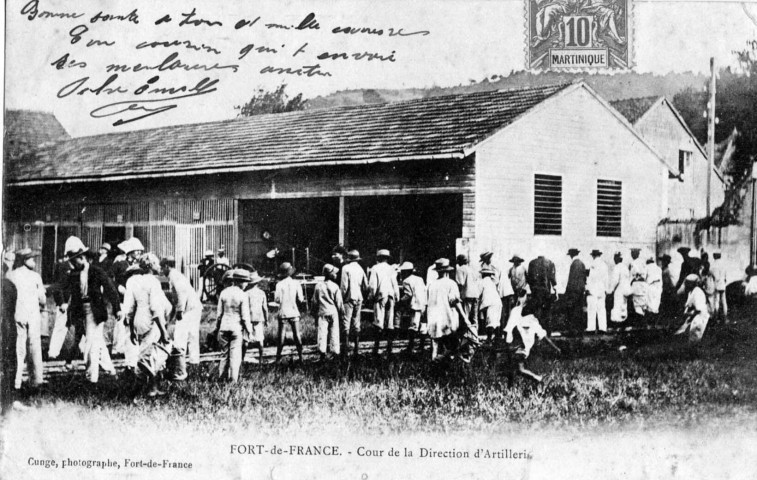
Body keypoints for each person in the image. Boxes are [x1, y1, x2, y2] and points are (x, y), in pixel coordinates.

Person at [61, 237, 121, 383]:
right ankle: (111, 370)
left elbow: (110, 288)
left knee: (91, 344)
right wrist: (64, 304)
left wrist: (117, 308)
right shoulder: (73, 274)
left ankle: (92, 378)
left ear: (82, 258)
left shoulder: (96, 271)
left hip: (95, 311)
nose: (73, 263)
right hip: (82, 311)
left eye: (74, 260)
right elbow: (63, 289)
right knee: (97, 342)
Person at [123, 253, 172, 396]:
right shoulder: (153, 282)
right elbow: (156, 309)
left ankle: (153, 387)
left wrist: (132, 329)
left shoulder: (136, 281)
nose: (159, 266)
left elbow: (130, 308)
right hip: (151, 321)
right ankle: (137, 391)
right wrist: (163, 332)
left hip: (139, 320)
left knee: (147, 352)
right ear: (150, 265)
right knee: (152, 355)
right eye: (156, 263)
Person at [6, 248, 46, 391]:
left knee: (18, 348)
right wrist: (41, 306)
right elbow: (42, 299)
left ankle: (16, 382)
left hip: (17, 315)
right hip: (32, 315)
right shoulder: (35, 276)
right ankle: (36, 381)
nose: (34, 261)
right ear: (24, 260)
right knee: (34, 347)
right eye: (31, 259)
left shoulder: (10, 275)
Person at [504, 289, 561, 386]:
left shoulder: (533, 321)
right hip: (514, 344)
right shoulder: (516, 312)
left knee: (519, 369)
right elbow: (508, 329)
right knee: (512, 370)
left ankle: (539, 379)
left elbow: (543, 336)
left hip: (521, 346)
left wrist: (556, 348)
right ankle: (511, 388)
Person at [161, 256, 202, 380]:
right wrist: (172, 315)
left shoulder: (174, 276)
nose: (162, 271)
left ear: (167, 266)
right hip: (193, 307)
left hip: (189, 309)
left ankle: (180, 368)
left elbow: (181, 293)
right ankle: (193, 363)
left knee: (181, 336)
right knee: (192, 336)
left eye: (162, 268)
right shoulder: (175, 275)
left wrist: (180, 311)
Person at [426, 258, 467, 361]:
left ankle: (434, 364)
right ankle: (447, 366)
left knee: (435, 345)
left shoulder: (432, 285)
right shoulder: (451, 283)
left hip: (434, 320)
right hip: (447, 319)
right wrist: (465, 317)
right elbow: (456, 302)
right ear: (448, 271)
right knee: (452, 346)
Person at [215, 269, 251, 382]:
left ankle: (221, 378)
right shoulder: (242, 295)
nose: (246, 284)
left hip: (224, 327)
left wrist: (217, 328)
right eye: (245, 282)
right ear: (240, 281)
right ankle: (233, 380)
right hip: (236, 328)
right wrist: (249, 331)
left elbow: (219, 315)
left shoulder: (223, 293)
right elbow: (245, 317)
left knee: (224, 355)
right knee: (235, 356)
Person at [368, 249, 400, 356]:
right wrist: (397, 296)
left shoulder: (375, 268)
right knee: (389, 322)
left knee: (378, 322)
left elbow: (373, 286)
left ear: (378, 258)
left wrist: (371, 296)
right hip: (390, 295)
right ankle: (389, 347)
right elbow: (394, 283)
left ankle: (376, 349)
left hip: (380, 296)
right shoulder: (391, 269)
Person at [274, 262, 305, 363]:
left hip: (283, 311)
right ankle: (301, 357)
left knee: (281, 335)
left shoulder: (279, 284)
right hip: (293, 310)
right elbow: (301, 299)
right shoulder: (296, 283)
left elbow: (277, 300)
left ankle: (278, 358)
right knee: (297, 334)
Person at [2, 251, 21, 413]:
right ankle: (7, 401)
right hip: (7, 327)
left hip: (7, 326)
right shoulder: (9, 285)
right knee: (8, 363)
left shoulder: (9, 284)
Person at [312, 264, 343, 361]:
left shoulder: (318, 286)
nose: (336, 275)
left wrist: (314, 312)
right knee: (334, 332)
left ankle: (322, 353)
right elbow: (339, 302)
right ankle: (335, 352)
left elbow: (314, 301)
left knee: (322, 332)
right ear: (330, 274)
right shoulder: (335, 286)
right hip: (333, 312)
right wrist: (342, 313)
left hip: (322, 312)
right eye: (334, 273)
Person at [340, 249, 368, 357]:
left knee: (346, 323)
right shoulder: (360, 269)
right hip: (359, 297)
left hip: (348, 298)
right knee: (356, 323)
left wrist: (341, 298)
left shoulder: (345, 268)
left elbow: (344, 287)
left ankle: (346, 349)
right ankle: (357, 349)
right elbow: (366, 286)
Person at [397, 262, 428, 355]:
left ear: (406, 271)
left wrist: (400, 302)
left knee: (413, 326)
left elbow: (408, 294)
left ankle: (410, 347)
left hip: (415, 305)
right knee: (423, 325)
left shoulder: (406, 281)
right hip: (423, 303)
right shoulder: (420, 279)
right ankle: (421, 346)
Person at [674, 274, 710, 345]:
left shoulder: (697, 292)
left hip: (699, 317)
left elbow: (698, 309)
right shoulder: (691, 291)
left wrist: (687, 314)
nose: (686, 285)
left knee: (693, 338)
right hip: (693, 316)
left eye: (688, 283)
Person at [47, 257, 72, 359]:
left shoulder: (80, 266)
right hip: (65, 303)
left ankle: (82, 349)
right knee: (61, 326)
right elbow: (58, 285)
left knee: (83, 327)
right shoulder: (63, 267)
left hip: (77, 302)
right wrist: (61, 302)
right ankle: (53, 352)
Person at [526, 254, 556, 332]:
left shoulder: (532, 263)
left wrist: (533, 288)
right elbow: (552, 278)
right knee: (547, 311)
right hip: (546, 291)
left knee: (536, 311)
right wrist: (556, 291)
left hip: (535, 291)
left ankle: (537, 331)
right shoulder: (550, 262)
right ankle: (547, 331)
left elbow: (529, 279)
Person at [244, 271, 268, 364]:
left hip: (249, 319)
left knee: (246, 340)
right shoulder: (261, 293)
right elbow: (265, 308)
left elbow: (245, 308)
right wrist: (266, 319)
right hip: (258, 318)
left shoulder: (246, 293)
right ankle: (261, 359)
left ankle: (242, 358)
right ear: (257, 282)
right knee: (260, 340)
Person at [455, 254, 481, 333]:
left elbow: (461, 283)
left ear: (459, 261)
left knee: (465, 316)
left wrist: (458, 294)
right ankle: (475, 336)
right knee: (474, 317)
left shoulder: (460, 269)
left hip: (467, 295)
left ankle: (466, 336)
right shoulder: (472, 269)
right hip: (475, 294)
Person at [564, 248, 587, 336]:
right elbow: (584, 278)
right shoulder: (582, 264)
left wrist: (567, 291)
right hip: (580, 291)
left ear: (571, 255)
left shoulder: (574, 264)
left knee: (572, 311)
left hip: (573, 291)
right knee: (579, 311)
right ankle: (580, 331)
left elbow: (571, 279)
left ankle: (572, 331)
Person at [586, 249, 609, 333]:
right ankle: (603, 327)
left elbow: (591, 278)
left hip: (594, 289)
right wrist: (606, 289)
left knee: (592, 309)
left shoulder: (593, 264)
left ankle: (591, 328)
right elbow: (606, 279)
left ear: (593, 255)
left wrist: (588, 288)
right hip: (602, 289)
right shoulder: (604, 265)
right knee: (601, 309)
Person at [479, 267, 502, 344]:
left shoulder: (482, 282)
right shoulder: (492, 282)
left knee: (490, 322)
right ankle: (497, 339)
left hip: (490, 303)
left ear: (483, 274)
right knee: (496, 321)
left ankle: (489, 339)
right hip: (497, 303)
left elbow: (478, 293)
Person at [609, 252, 630, 327]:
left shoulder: (617, 267)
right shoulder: (625, 268)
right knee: (623, 306)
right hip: (625, 290)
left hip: (619, 290)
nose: (614, 259)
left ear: (617, 258)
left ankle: (617, 324)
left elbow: (615, 281)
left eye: (615, 258)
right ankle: (623, 324)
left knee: (617, 306)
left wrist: (611, 290)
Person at [629, 248, 648, 328]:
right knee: (642, 303)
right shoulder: (643, 263)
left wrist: (629, 283)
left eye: (633, 253)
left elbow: (631, 275)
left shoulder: (633, 263)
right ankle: (643, 322)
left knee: (636, 303)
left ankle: (640, 322)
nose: (632, 254)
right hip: (643, 284)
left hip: (636, 284)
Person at [710, 251, 728, 324]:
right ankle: (725, 318)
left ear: (714, 256)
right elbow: (725, 275)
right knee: (724, 301)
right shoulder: (723, 264)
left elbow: (713, 275)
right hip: (723, 284)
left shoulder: (713, 265)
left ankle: (716, 318)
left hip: (716, 284)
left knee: (716, 301)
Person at [645, 256, 663, 327]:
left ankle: (649, 324)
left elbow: (644, 278)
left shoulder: (646, 267)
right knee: (655, 306)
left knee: (649, 306)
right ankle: (654, 324)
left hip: (650, 287)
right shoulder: (659, 268)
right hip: (658, 288)